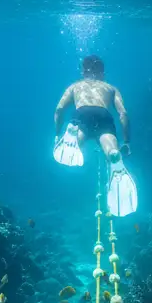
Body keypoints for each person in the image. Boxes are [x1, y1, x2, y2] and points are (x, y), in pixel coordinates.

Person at [53, 55, 138, 216]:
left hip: (82, 113)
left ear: (83, 71)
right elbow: (123, 114)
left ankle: (73, 136)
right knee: (108, 141)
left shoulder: (75, 86)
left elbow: (59, 110)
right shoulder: (110, 88)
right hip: (103, 115)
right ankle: (113, 154)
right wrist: (126, 141)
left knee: (80, 132)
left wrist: (57, 134)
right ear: (103, 72)